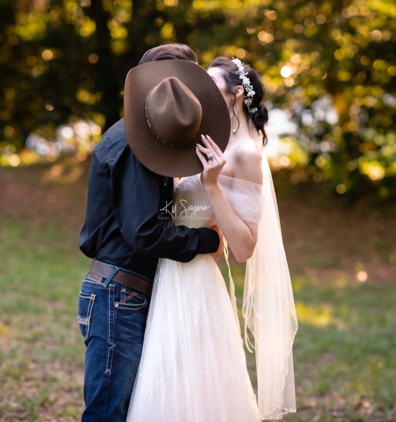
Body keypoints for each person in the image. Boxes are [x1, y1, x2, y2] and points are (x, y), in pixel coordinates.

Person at [126, 57, 298, 421]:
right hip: (163, 276)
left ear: (236, 94)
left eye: (213, 86)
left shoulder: (246, 153)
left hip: (194, 283)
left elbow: (244, 247)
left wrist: (212, 185)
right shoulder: (204, 140)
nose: (201, 93)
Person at [77, 44, 230, 422]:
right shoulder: (134, 145)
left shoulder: (145, 139)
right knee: (107, 413)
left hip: (124, 291)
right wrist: (205, 239)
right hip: (118, 294)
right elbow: (144, 232)